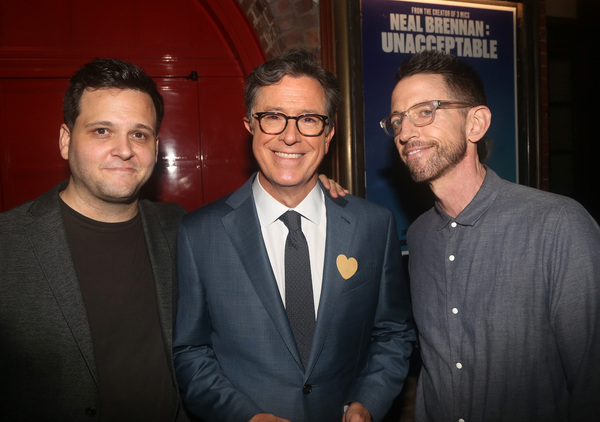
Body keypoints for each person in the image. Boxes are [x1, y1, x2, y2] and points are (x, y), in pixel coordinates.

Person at [173, 49, 415, 422]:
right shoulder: (199, 233)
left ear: (329, 132)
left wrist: (367, 403)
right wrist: (247, 418)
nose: (290, 136)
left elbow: (393, 333)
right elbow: (191, 351)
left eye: (309, 119)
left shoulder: (373, 226)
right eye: (273, 118)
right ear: (249, 125)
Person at [379, 49, 600, 421]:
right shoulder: (418, 236)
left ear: (476, 124)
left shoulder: (559, 225)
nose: (406, 132)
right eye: (398, 119)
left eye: (425, 111)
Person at [0, 58, 190, 421]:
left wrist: (320, 195)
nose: (124, 149)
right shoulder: (8, 244)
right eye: (102, 130)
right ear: (65, 140)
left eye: (139, 134)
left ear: (155, 146)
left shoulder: (178, 227)